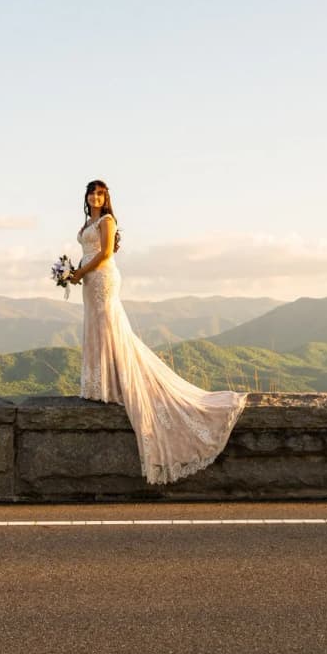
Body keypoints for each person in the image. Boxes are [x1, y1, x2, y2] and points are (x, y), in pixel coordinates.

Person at [67, 180, 246, 484]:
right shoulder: (88, 222)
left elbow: (106, 253)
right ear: (86, 196)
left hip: (102, 280)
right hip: (89, 282)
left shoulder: (107, 221)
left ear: (106, 198)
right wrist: (73, 274)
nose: (94, 196)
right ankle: (100, 384)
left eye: (100, 193)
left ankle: (114, 383)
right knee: (96, 326)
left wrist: (81, 272)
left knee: (110, 326)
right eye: (91, 192)